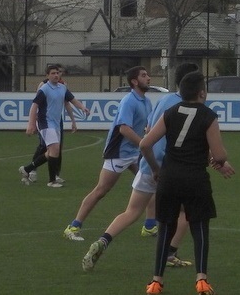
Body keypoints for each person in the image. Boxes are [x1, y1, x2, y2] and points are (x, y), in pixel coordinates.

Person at [81, 62, 200, 273]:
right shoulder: (190, 107)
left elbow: (149, 129)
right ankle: (170, 253)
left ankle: (102, 241)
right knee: (187, 212)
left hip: (148, 163)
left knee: (131, 211)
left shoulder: (163, 100)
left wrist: (152, 164)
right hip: (171, 168)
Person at [139, 71, 235, 295]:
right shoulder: (208, 115)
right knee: (199, 227)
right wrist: (218, 161)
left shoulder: (170, 112)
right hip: (195, 179)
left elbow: (145, 144)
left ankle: (156, 282)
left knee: (165, 228)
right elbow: (219, 155)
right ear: (202, 92)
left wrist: (156, 169)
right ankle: (201, 279)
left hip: (169, 177)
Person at [64, 66, 153, 241]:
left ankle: (150, 226)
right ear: (134, 81)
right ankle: (73, 226)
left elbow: (146, 127)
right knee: (101, 190)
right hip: (118, 152)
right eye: (144, 75)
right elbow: (124, 129)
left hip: (135, 152)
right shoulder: (129, 101)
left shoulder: (146, 101)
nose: (148, 78)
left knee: (152, 183)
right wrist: (144, 143)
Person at [21, 64, 89, 188]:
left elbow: (72, 100)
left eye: (57, 73)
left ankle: (27, 169)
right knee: (55, 149)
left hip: (56, 123)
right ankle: (52, 181)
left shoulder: (62, 88)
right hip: (45, 123)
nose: (56, 75)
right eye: (53, 73)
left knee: (51, 152)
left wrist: (82, 107)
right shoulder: (44, 89)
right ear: (47, 76)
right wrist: (31, 124)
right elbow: (34, 106)